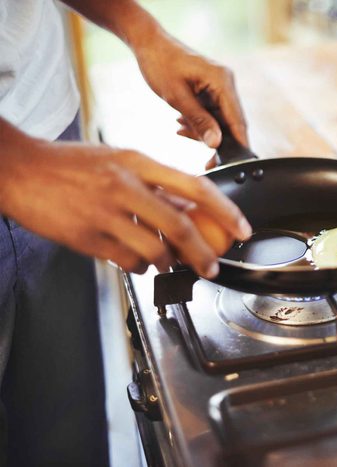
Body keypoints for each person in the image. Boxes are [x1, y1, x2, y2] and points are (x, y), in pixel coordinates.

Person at [0, 0, 252, 465]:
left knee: (65, 440)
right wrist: (13, 163)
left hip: (53, 138)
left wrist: (141, 29)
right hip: (24, 162)